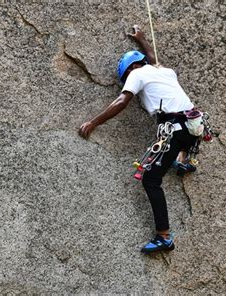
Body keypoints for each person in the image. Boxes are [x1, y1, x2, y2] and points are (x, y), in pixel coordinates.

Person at [79, 25, 198, 254]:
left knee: (151, 180)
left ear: (129, 70)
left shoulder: (136, 74)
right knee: (175, 137)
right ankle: (183, 161)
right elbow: (153, 59)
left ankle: (164, 237)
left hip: (175, 129)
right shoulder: (165, 72)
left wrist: (93, 123)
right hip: (194, 128)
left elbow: (121, 102)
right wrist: (142, 39)